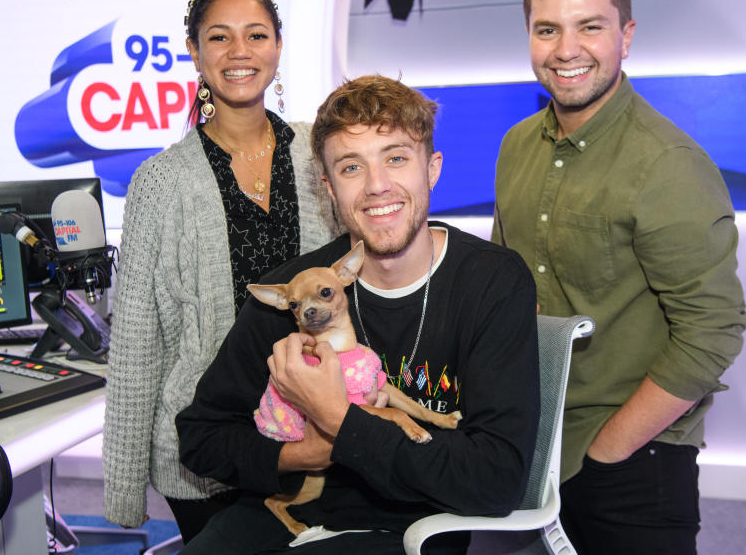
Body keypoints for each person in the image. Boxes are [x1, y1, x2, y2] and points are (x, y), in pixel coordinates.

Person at [175, 75, 540, 554]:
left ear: (431, 169)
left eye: (395, 157)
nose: (377, 186)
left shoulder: (491, 281)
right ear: (327, 186)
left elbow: (494, 479)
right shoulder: (298, 290)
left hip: (413, 525)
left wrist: (335, 417)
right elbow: (202, 438)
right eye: (351, 167)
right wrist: (306, 452)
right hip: (288, 513)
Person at [492, 0, 746, 555]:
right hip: (529, 441)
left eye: (590, 26)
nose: (566, 50)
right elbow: (502, 287)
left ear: (626, 35)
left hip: (633, 457)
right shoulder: (515, 145)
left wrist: (610, 450)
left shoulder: (668, 164)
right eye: (547, 29)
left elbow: (714, 330)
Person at [102, 0, 337, 542]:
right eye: (219, 38)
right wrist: (123, 489)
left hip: (314, 430)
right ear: (195, 53)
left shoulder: (319, 156)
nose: (239, 53)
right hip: (205, 451)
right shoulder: (159, 182)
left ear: (278, 46)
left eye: (256, 35)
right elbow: (137, 341)